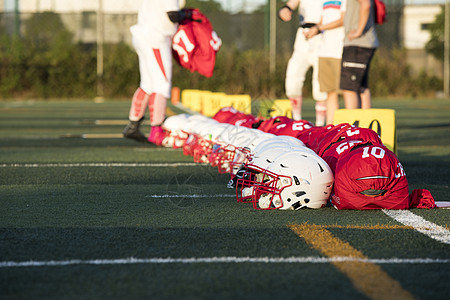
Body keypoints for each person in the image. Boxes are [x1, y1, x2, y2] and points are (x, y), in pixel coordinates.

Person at [123, 0, 188, 143]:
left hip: (143, 35)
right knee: (162, 84)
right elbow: (172, 15)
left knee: (147, 84)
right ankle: (157, 130)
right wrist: (187, 15)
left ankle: (133, 125)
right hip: (156, 38)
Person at [278, 0, 328, 126]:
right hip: (303, 36)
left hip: (323, 35)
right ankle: (297, 122)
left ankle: (320, 125)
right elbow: (291, 5)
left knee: (320, 84)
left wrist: (319, 28)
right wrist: (285, 9)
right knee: (293, 77)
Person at [305, 0, 346, 125]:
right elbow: (322, 21)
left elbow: (343, 20)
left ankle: (354, 129)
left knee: (346, 92)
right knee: (330, 92)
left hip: (340, 50)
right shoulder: (324, 2)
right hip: (324, 51)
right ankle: (331, 127)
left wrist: (319, 28)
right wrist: (312, 30)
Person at [339, 0, 378, 110]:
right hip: (361, 43)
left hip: (358, 44)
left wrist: (358, 31)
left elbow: (365, 5)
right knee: (361, 87)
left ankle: (353, 125)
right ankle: (364, 125)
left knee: (349, 88)